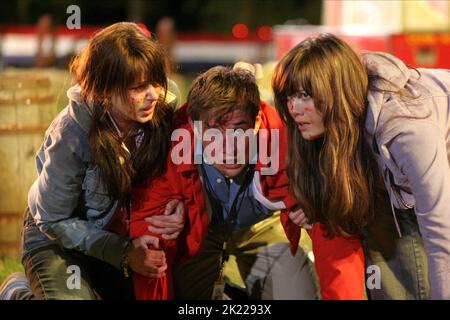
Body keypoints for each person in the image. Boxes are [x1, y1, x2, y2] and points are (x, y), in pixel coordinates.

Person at [130, 66, 365, 300]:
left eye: (239, 129)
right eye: (214, 130)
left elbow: (334, 236)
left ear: (256, 122)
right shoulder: (169, 146)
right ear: (194, 126)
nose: (228, 146)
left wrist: (311, 209)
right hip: (199, 230)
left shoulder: (284, 142)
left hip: (261, 226)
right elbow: (148, 239)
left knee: (296, 294)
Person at [0, 22, 184, 300]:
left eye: (156, 82)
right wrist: (123, 253)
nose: (153, 95)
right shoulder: (72, 133)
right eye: (138, 87)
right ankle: (18, 294)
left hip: (120, 233)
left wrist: (180, 204)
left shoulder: (164, 107)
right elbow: (53, 218)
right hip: (57, 236)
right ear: (103, 90)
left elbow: (181, 172)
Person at [272, 33, 450, 300]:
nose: (293, 107)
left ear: (336, 90)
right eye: (289, 96)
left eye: (305, 95)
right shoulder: (342, 113)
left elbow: (441, 232)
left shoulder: (406, 132)